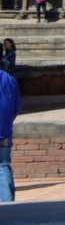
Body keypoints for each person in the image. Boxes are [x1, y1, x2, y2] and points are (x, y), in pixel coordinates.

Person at [0, 60, 18, 202]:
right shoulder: (9, 79)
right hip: (5, 130)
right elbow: (16, 106)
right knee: (4, 164)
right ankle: (8, 200)